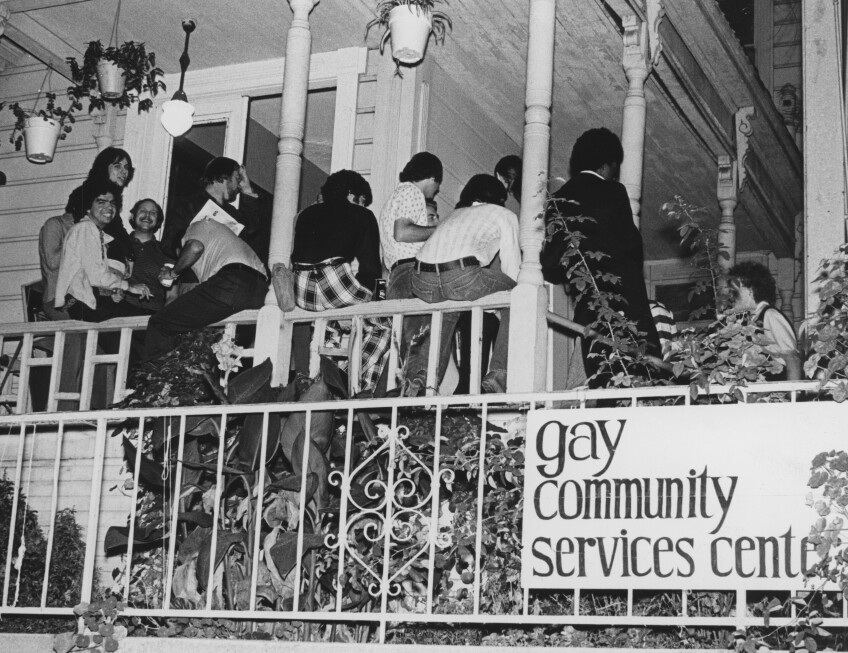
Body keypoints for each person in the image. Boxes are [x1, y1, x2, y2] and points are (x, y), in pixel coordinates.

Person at [542, 127, 660, 386]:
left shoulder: (557, 200)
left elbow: (550, 263)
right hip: (625, 302)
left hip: (589, 308)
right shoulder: (614, 192)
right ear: (607, 165)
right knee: (644, 374)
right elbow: (631, 245)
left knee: (602, 375)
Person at [406, 174, 519, 395]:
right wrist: (501, 303)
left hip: (420, 279)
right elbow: (512, 268)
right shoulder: (504, 214)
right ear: (498, 198)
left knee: (447, 311)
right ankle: (498, 376)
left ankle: (421, 380)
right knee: (520, 295)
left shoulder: (454, 215)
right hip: (460, 275)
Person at [145, 180, 269, 361]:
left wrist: (173, 272)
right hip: (260, 288)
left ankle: (157, 383)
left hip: (233, 282)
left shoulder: (195, 227)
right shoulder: (221, 235)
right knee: (219, 347)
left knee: (159, 323)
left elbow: (194, 248)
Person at [291, 170, 390, 393]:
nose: (363, 206)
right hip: (333, 277)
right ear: (351, 194)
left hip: (302, 287)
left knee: (331, 326)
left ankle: (320, 381)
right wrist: (374, 302)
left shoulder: (307, 214)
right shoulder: (360, 215)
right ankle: (346, 378)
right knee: (383, 326)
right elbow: (371, 268)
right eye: (362, 201)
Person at [54, 179, 152, 322]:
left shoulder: (98, 234)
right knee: (151, 321)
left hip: (91, 302)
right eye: (101, 202)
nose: (109, 207)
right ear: (87, 207)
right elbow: (96, 276)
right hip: (84, 304)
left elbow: (92, 276)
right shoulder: (85, 228)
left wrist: (115, 290)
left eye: (112, 203)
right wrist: (129, 287)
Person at [161, 157, 269, 263]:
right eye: (237, 178)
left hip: (225, 275)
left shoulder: (232, 213)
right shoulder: (189, 205)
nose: (238, 186)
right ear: (224, 176)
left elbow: (251, 231)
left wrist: (247, 189)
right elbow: (169, 243)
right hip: (197, 276)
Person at [727, 261, 801, 381]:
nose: (730, 296)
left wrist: (793, 395)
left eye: (734, 291)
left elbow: (792, 358)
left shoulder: (770, 315)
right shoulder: (749, 321)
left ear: (750, 291)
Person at [65, 147, 136, 265]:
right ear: (104, 167)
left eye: (126, 167)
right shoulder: (85, 193)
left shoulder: (112, 197)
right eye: (117, 166)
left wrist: (130, 254)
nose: (124, 172)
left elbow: (118, 230)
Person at [123, 199, 174, 314]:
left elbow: (172, 296)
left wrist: (162, 321)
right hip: (118, 312)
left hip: (151, 315)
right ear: (133, 216)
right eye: (143, 211)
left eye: (153, 213)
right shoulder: (118, 245)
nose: (147, 215)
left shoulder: (165, 251)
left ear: (158, 221)